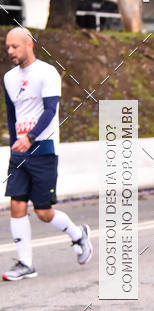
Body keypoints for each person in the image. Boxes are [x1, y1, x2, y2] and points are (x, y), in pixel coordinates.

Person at [2, 27, 93, 280]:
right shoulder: (9, 78)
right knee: (16, 204)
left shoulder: (47, 72)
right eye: (7, 47)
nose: (10, 51)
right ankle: (25, 264)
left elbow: (50, 111)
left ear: (29, 44)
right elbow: (12, 114)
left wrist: (30, 138)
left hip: (43, 148)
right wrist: (15, 143)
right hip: (19, 151)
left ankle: (78, 235)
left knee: (43, 212)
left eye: (15, 46)